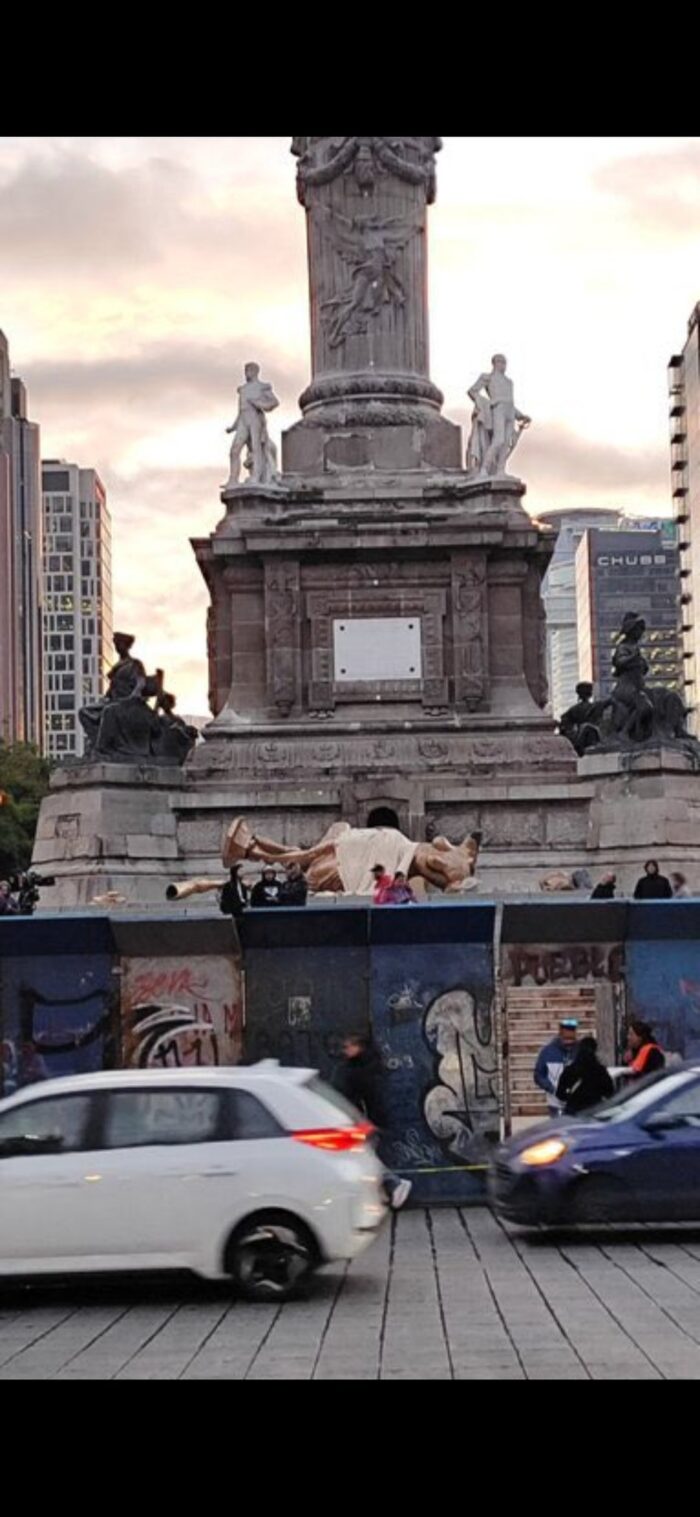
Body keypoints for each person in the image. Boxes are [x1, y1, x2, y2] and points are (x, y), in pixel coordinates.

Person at [332, 1034, 412, 1210]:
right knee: (364, 1159)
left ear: (359, 1047)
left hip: (363, 1122)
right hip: (362, 1121)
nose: (346, 1050)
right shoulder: (363, 1066)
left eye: (349, 1046)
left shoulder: (360, 1069)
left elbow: (368, 1097)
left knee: (364, 1160)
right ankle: (389, 1188)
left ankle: (394, 1184)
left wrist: (367, 1123)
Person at [556, 1036, 614, 1115]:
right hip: (594, 1111)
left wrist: (570, 1096)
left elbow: (560, 1094)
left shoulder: (570, 1070)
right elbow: (610, 1092)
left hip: (573, 1112)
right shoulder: (600, 1071)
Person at [534, 1018, 579, 1116]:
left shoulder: (580, 1051)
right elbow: (539, 1075)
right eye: (567, 1032)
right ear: (561, 1032)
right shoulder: (547, 1052)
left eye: (572, 1031)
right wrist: (551, 1088)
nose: (569, 1039)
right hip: (555, 1102)